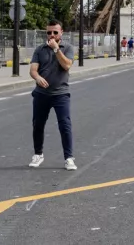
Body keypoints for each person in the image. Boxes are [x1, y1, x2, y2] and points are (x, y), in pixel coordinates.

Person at [28, 19, 77, 171]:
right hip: (41, 94)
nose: (52, 35)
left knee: (65, 125)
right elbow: (33, 69)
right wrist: (37, 77)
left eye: (55, 32)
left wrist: (56, 49)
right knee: (38, 124)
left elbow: (67, 65)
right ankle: (38, 154)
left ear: (61, 33)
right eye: (49, 32)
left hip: (61, 94)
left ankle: (69, 158)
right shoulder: (40, 49)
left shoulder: (67, 48)